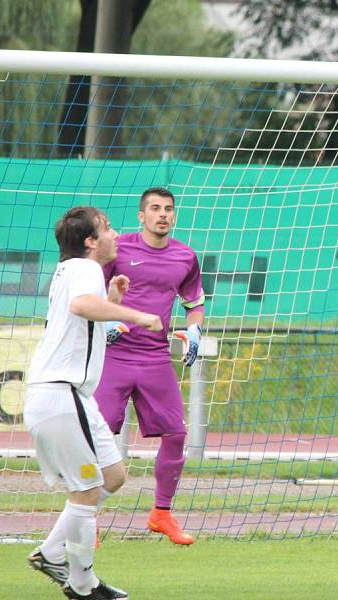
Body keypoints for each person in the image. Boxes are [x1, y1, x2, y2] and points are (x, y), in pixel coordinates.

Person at [24, 206, 162, 599]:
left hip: (69, 396)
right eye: (107, 229)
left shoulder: (72, 272)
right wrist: (138, 314)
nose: (115, 234)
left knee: (113, 476)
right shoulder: (84, 269)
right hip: (61, 394)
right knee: (86, 491)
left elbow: (84, 322)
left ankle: (51, 553)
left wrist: (112, 301)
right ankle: (84, 586)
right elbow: (82, 307)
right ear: (90, 241)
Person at [94, 187, 205, 546]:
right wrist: (105, 322)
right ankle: (87, 517)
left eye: (168, 210)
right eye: (155, 209)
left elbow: (194, 302)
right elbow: (90, 290)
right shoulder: (117, 248)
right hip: (114, 356)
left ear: (174, 216)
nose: (163, 215)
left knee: (176, 434)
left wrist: (194, 330)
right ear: (141, 215)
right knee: (97, 435)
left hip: (156, 357)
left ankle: (161, 514)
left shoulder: (186, 257)